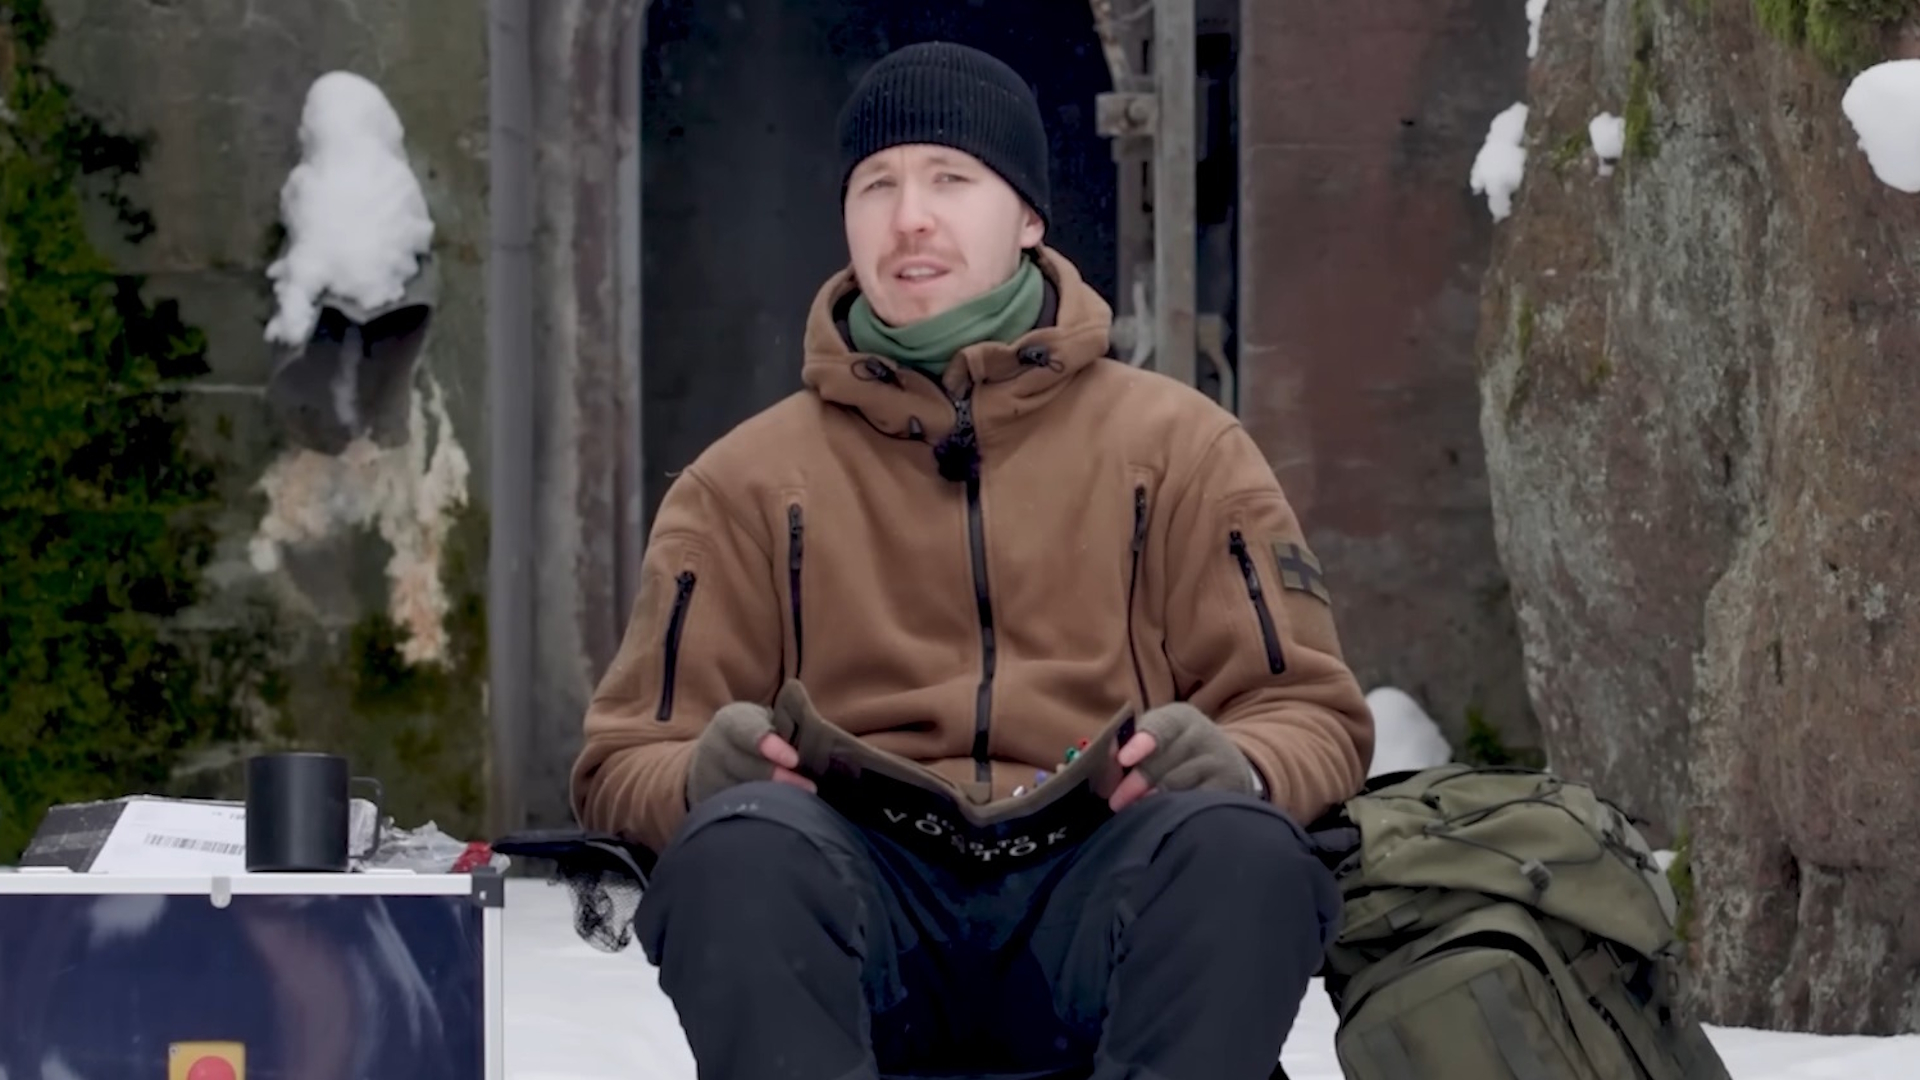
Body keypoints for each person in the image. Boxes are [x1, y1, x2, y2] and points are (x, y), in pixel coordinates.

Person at [571, 40, 1375, 1080]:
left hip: (1097, 893)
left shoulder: (1182, 450)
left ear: (1029, 217)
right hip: (865, 909)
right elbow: (619, 759)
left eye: (951, 178)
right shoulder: (742, 483)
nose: (911, 215)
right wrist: (700, 778)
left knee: (1241, 852)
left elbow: (1312, 712)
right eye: (878, 184)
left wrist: (1244, 765)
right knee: (737, 854)